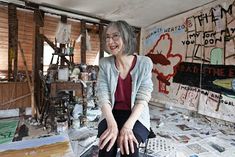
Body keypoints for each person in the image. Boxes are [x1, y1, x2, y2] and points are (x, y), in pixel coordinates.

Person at [97, 20, 153, 157]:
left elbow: (143, 98)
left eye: (115, 36)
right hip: (112, 113)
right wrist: (112, 125)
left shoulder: (144, 63)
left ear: (127, 37)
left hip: (136, 114)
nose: (110, 41)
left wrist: (127, 127)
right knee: (106, 147)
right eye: (108, 37)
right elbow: (103, 97)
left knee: (129, 148)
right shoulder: (105, 64)